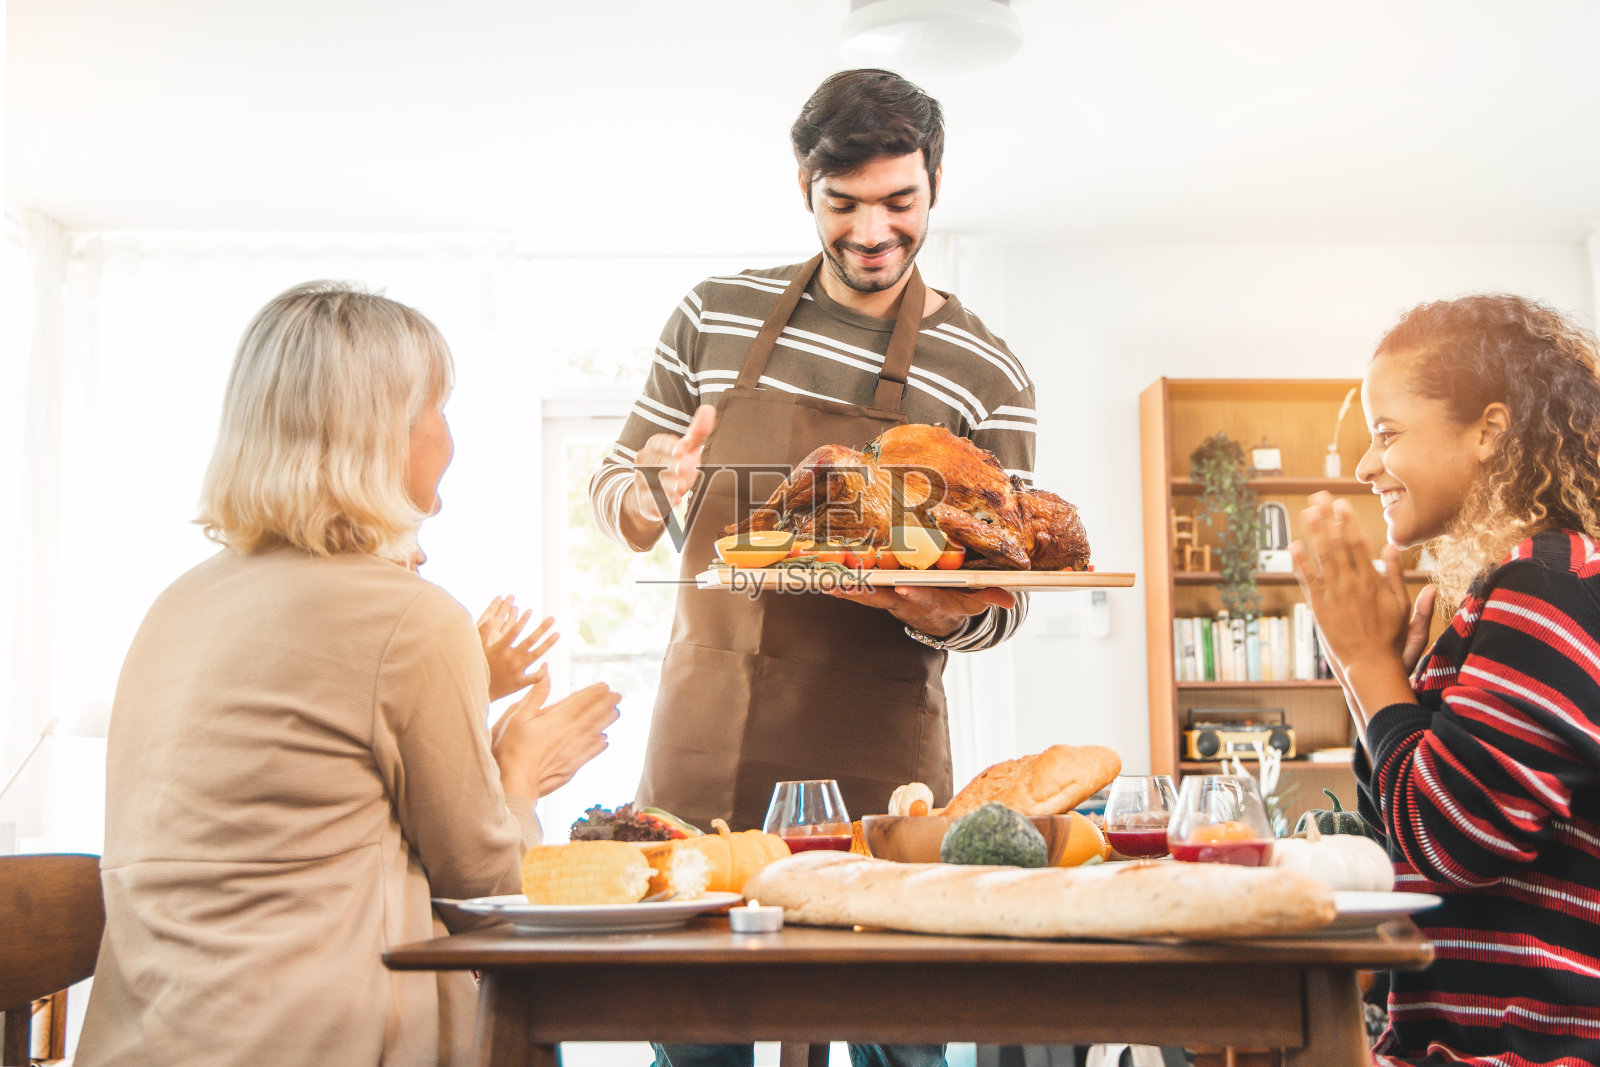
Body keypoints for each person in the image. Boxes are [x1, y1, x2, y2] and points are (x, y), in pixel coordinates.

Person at [75, 281, 621, 1067]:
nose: (449, 438)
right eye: (438, 409)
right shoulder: (410, 617)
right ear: (387, 431)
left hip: (152, 1036)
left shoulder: (178, 602)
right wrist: (521, 770)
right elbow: (488, 894)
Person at [589, 68, 1035, 837]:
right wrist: (645, 488)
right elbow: (612, 499)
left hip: (879, 769)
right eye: (844, 204)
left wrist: (939, 611)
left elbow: (1010, 597)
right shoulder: (714, 316)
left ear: (936, 181)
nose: (872, 233)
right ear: (805, 185)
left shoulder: (985, 372)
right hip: (701, 745)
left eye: (900, 202)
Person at [1291, 294, 1600, 1065]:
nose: (1366, 466)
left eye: (1387, 434)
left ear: (1490, 430)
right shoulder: (1510, 585)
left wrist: (1367, 663)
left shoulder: (1550, 586)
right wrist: (1378, 674)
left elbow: (1450, 835)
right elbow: (1402, 825)